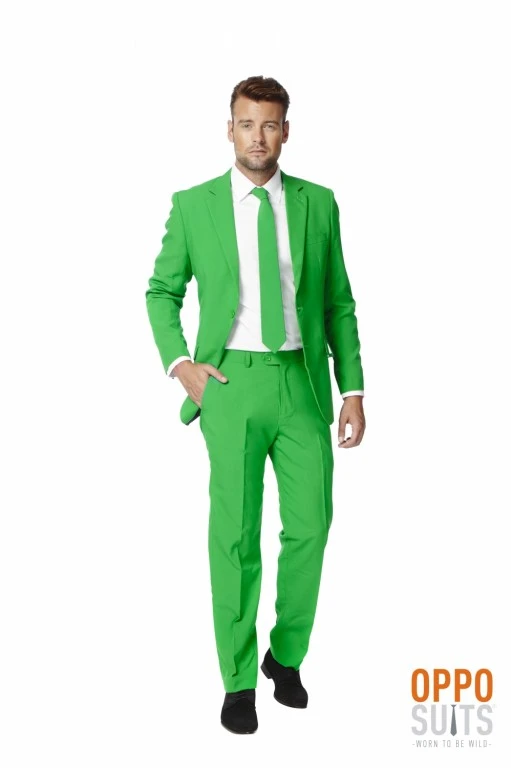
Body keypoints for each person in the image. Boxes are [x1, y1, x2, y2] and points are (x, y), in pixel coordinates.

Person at [145, 75, 366, 734]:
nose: (258, 137)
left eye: (270, 124)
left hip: (301, 383)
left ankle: (285, 656)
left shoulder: (318, 203)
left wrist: (352, 389)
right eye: (247, 124)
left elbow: (338, 303)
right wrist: (181, 365)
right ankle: (238, 680)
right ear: (230, 130)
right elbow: (161, 290)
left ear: (286, 131)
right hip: (229, 384)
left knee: (311, 528)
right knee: (235, 536)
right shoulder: (194, 205)